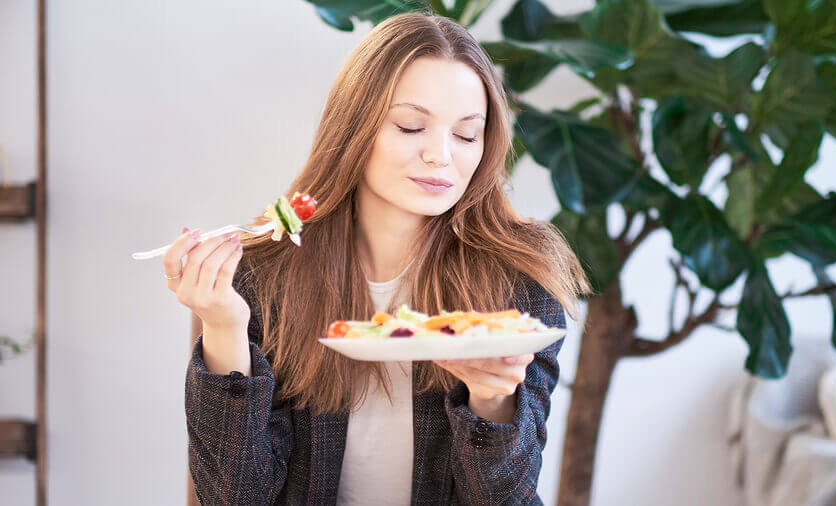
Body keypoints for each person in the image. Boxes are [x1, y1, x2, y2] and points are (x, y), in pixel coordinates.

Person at [163, 10, 589, 505]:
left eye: (466, 134)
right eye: (411, 126)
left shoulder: (516, 281)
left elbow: (507, 499)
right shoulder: (260, 276)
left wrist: (492, 398)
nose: (440, 156)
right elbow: (234, 496)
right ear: (354, 127)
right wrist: (224, 328)